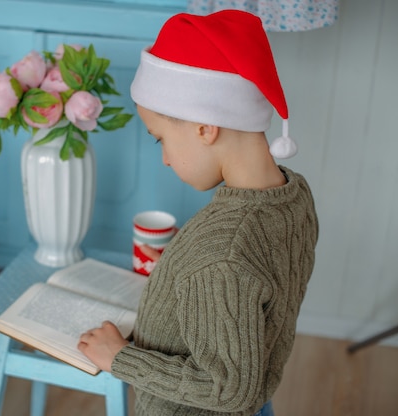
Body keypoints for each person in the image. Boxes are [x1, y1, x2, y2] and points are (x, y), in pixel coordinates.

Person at [78, 9, 319, 416]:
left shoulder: (223, 250)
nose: (167, 160)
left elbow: (228, 389)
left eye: (161, 141)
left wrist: (120, 357)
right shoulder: (293, 196)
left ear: (206, 127)